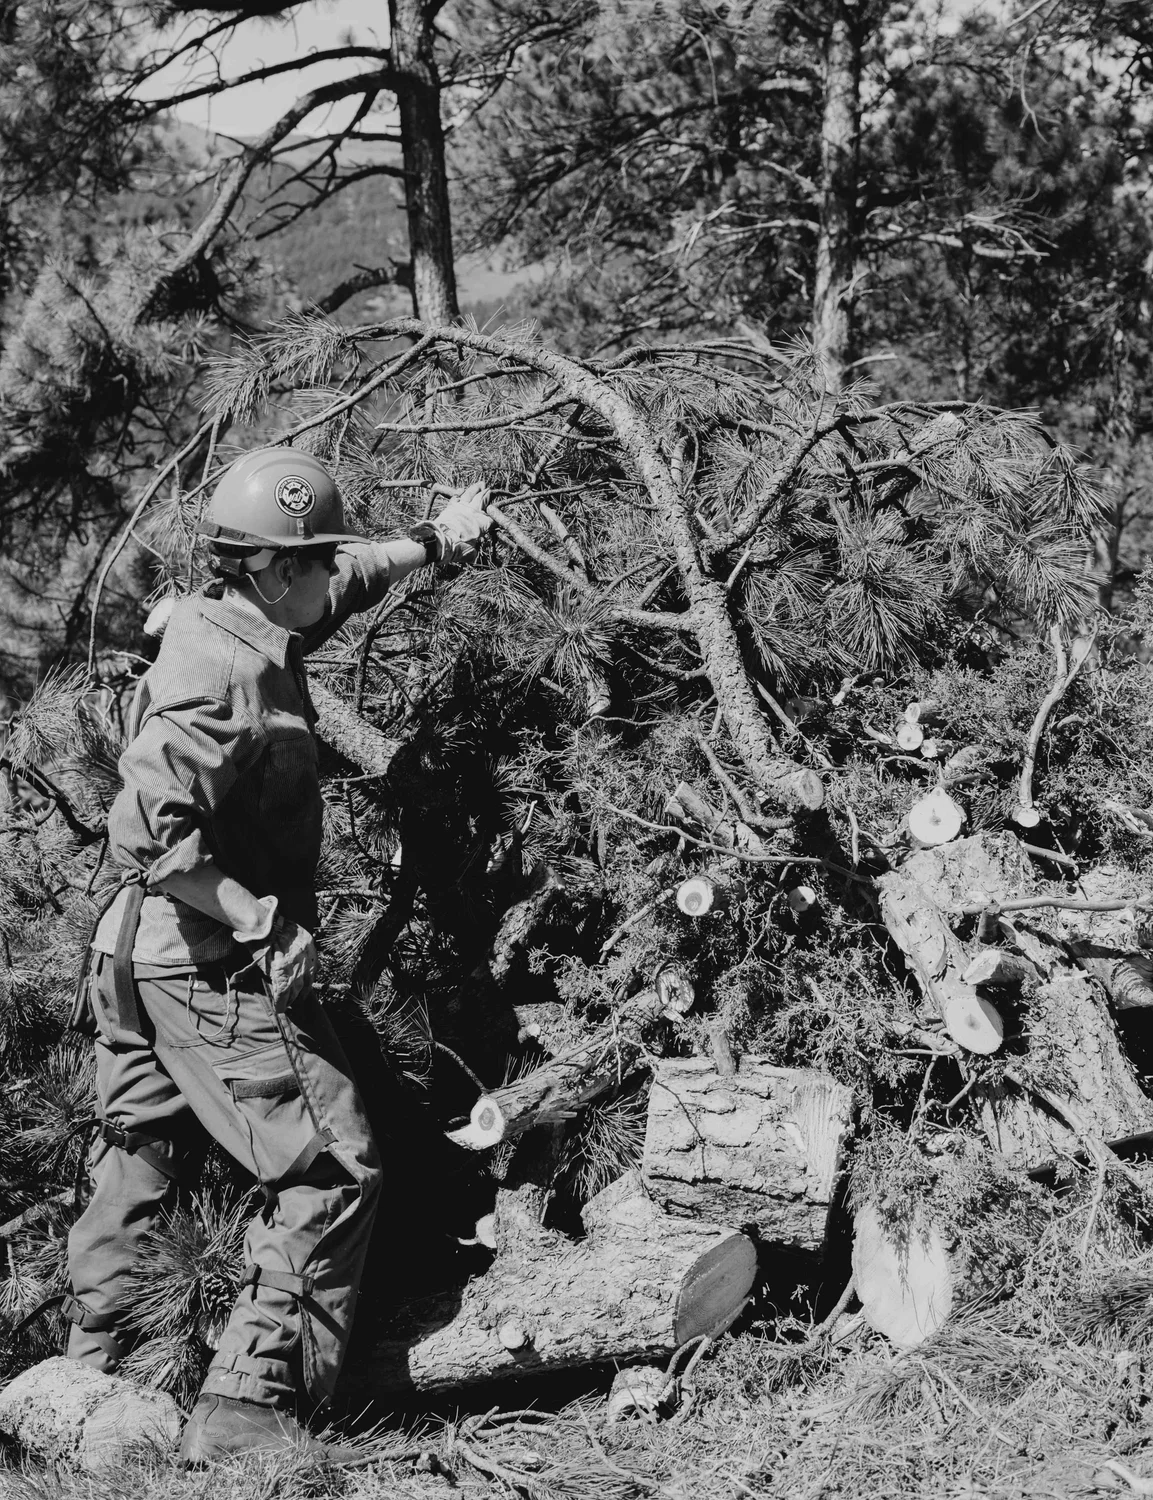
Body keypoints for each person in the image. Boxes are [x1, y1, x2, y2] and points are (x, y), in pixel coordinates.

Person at [63, 447, 490, 1462]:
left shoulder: (238, 612)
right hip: (198, 961)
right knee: (332, 1169)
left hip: (129, 958)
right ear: (273, 568)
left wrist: (435, 541)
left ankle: (85, 1386)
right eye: (317, 560)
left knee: (141, 1154)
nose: (331, 573)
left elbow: (348, 579)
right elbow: (148, 833)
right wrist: (263, 922)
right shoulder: (221, 674)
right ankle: (248, 1413)